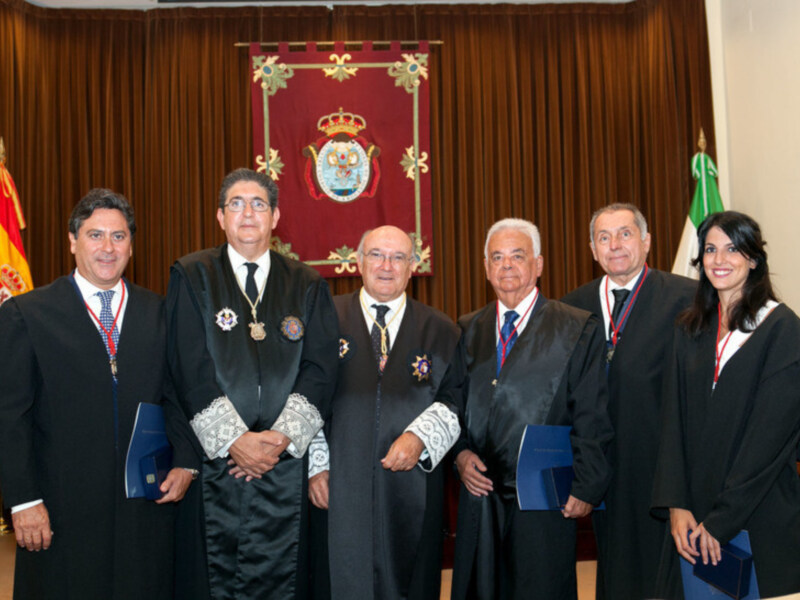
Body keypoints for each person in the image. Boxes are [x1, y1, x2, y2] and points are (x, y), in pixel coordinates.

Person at [0, 188, 198, 599]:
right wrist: (23, 501)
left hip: (144, 509)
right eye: (95, 235)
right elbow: (9, 417)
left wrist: (185, 462)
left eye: (119, 236)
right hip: (59, 511)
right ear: (72, 241)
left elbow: (179, 397)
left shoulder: (161, 313)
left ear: (131, 244)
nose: (107, 248)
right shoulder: (27, 314)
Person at [166, 168, 339, 600]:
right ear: (220, 217)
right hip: (216, 464)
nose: (248, 213)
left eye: (259, 204)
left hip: (286, 465)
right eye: (237, 204)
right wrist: (235, 440)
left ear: (275, 216)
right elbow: (188, 365)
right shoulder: (191, 275)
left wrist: (278, 439)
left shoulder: (308, 283)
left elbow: (320, 370)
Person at [450, 218, 613, 600]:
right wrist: (458, 455)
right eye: (497, 257)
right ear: (486, 268)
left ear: (538, 264)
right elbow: (450, 407)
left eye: (517, 256)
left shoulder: (575, 328)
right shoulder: (464, 330)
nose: (507, 266)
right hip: (481, 494)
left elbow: (592, 411)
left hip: (544, 496)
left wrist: (587, 484)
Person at [307, 225, 462, 600]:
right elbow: (304, 394)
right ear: (358, 262)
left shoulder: (441, 329)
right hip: (338, 483)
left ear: (413, 266)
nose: (387, 265)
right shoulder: (325, 318)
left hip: (412, 487)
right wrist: (316, 464)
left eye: (398, 257)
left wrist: (421, 438)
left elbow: (455, 399)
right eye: (377, 254)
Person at [651, 211, 800, 599]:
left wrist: (721, 522)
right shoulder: (690, 328)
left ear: (753, 258)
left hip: (758, 515)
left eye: (732, 249)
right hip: (692, 521)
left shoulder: (783, 330)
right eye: (711, 250)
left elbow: (768, 441)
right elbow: (673, 424)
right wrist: (676, 505)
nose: (719, 260)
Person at [561, 203, 694, 600]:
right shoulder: (571, 308)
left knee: (665, 578)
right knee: (616, 573)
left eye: (625, 234)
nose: (615, 245)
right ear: (592, 248)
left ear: (646, 241)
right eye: (604, 237)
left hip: (662, 469)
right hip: (600, 468)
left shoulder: (687, 299)